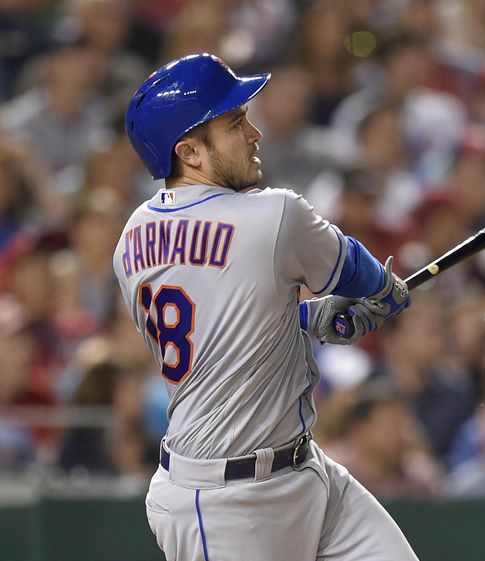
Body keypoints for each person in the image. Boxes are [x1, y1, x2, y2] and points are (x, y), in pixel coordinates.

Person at [114, 53, 416, 561]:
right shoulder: (274, 214)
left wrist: (307, 316)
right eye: (235, 123)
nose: (254, 133)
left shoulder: (131, 239)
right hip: (226, 503)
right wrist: (387, 295)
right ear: (189, 152)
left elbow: (222, 333)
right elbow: (362, 277)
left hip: (304, 472)